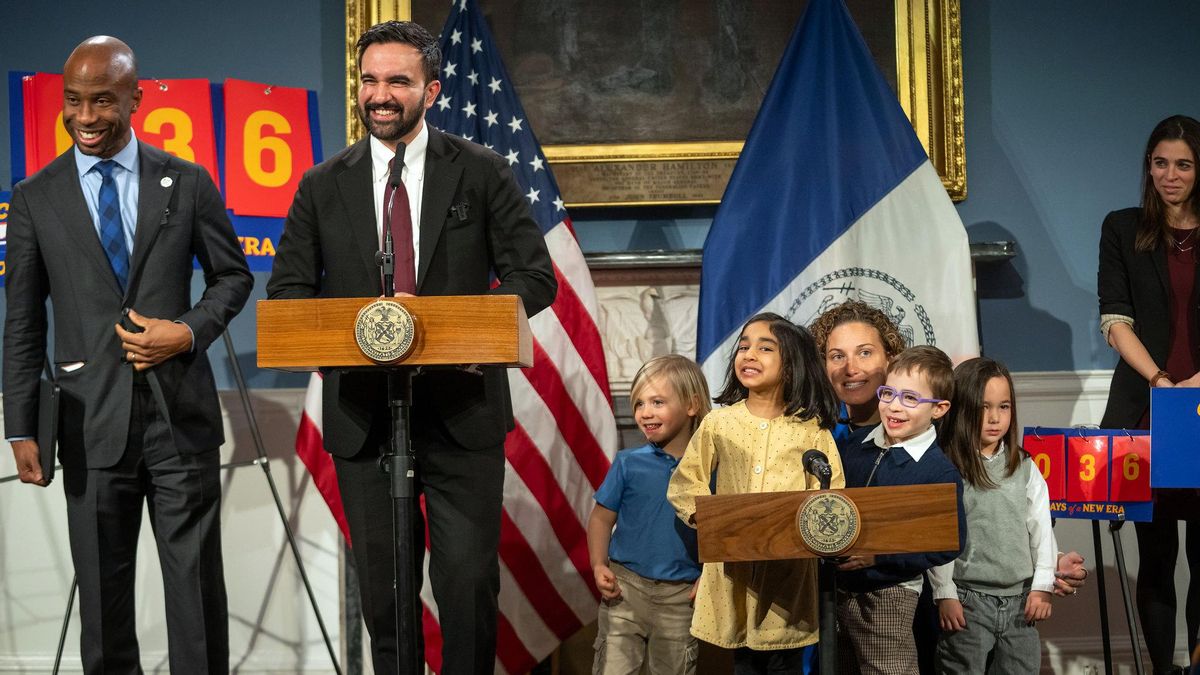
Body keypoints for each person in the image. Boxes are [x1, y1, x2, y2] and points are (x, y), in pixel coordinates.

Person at [265, 20, 557, 674]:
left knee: (467, 588)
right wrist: (353, 329)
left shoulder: (480, 171)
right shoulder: (321, 184)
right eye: (370, 80)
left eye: (397, 80)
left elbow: (534, 277)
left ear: (431, 87)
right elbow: (287, 295)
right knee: (384, 596)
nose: (381, 95)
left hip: (462, 413)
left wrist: (457, 326)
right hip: (365, 419)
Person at [3, 36, 252, 674]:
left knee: (196, 597)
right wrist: (22, 424)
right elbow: (24, 319)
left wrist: (187, 330)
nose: (84, 117)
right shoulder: (34, 196)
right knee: (104, 610)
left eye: (102, 101)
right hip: (87, 424)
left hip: (180, 419)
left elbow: (233, 277)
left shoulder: (188, 180)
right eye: (74, 101)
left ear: (136, 99)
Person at [667, 312, 844, 674]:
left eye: (765, 348)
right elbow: (687, 481)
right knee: (743, 663)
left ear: (792, 364)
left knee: (784, 661)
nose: (749, 354)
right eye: (744, 346)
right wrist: (709, 520)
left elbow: (832, 494)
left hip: (788, 579)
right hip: (734, 574)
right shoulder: (720, 423)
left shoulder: (811, 430)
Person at [1098, 114, 1200, 675]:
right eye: (1160, 163)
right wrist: (1164, 385)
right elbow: (1115, 321)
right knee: (1156, 561)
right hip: (1146, 413)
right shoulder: (1121, 228)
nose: (1170, 174)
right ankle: (1162, 670)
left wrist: (1196, 387)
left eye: (1183, 164)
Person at [835, 345, 966, 675]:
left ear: (939, 409)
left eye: (910, 398)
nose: (894, 406)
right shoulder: (855, 445)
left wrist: (880, 556)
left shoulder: (938, 472)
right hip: (839, 592)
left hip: (890, 595)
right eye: (888, 393)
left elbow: (949, 543)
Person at [588, 355, 711, 675]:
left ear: (692, 405)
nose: (645, 412)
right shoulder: (628, 463)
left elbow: (723, 530)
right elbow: (601, 518)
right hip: (624, 590)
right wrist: (599, 564)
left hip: (681, 598)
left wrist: (710, 573)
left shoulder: (711, 468)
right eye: (639, 403)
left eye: (657, 401)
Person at [930, 357, 1054, 674]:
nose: (995, 418)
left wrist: (1042, 586)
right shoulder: (947, 468)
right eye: (984, 407)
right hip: (967, 601)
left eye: (1004, 406)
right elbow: (940, 536)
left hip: (1019, 604)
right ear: (962, 407)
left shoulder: (1024, 466)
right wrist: (945, 594)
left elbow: (1041, 530)